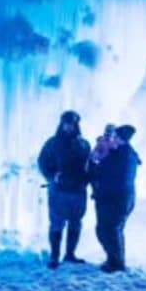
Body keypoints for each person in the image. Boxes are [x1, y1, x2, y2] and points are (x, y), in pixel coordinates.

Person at [36, 110, 92, 268]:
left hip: (78, 190)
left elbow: (89, 166)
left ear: (76, 125)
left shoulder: (84, 144)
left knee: (75, 222)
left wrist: (87, 180)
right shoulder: (52, 143)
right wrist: (52, 176)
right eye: (66, 123)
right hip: (58, 191)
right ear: (61, 124)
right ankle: (54, 256)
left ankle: (70, 254)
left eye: (72, 124)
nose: (69, 127)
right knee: (57, 223)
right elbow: (42, 162)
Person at [90, 124, 141, 273]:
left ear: (121, 139)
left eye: (115, 137)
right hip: (111, 198)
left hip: (118, 199)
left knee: (111, 230)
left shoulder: (125, 156)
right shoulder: (119, 153)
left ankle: (117, 263)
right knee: (106, 230)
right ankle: (113, 259)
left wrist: (98, 164)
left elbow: (114, 178)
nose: (112, 139)